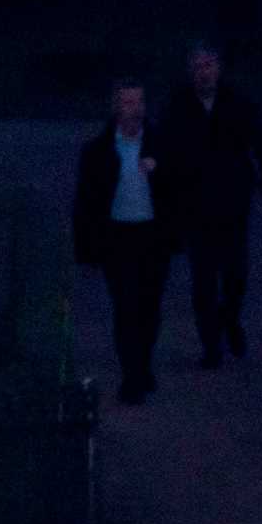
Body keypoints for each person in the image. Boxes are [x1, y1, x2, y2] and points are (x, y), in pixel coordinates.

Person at [160, 43, 262, 367]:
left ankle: (230, 319)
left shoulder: (237, 102)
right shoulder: (178, 105)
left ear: (219, 68)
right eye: (198, 67)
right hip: (194, 203)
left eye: (209, 65)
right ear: (191, 71)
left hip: (232, 201)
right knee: (202, 277)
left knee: (235, 273)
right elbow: (166, 150)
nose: (204, 72)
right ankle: (210, 345)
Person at [72, 79, 176, 404]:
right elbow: (85, 201)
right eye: (128, 103)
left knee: (149, 307)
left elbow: (182, 189)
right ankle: (131, 375)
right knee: (125, 307)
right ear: (116, 108)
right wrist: (87, 248)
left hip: (152, 236)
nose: (135, 109)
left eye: (139, 102)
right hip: (117, 237)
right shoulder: (97, 151)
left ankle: (143, 364)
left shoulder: (161, 144)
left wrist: (161, 172)